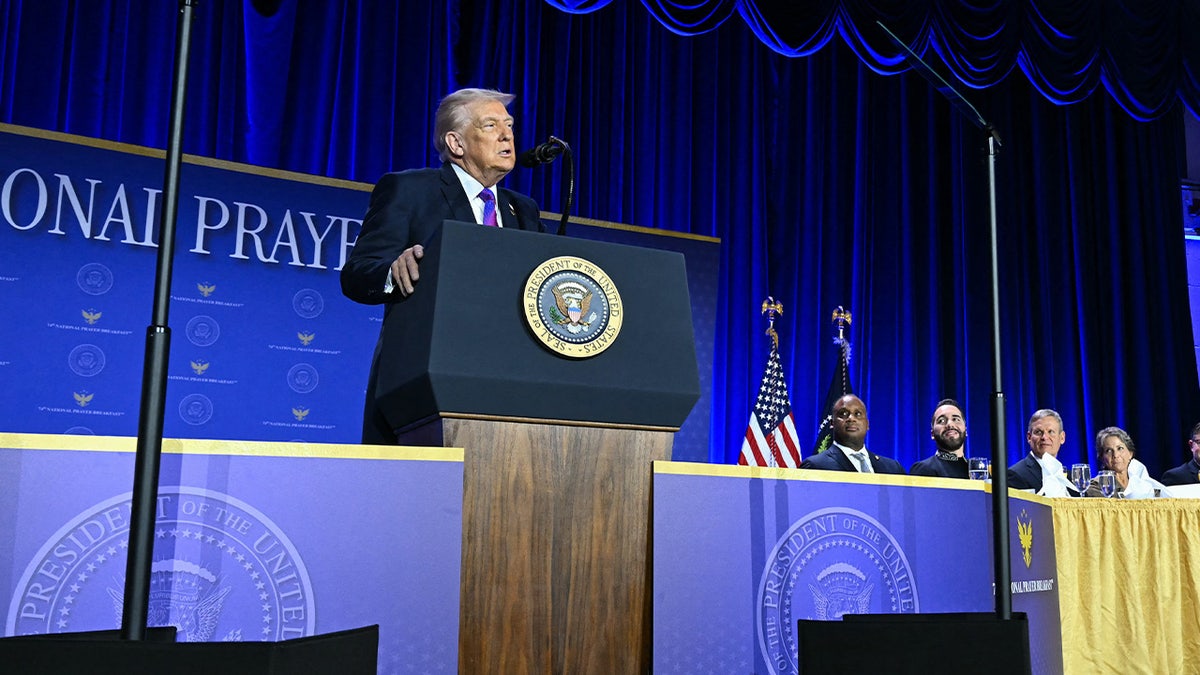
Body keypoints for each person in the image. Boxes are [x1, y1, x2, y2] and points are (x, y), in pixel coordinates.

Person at [341, 88, 545, 444]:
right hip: (424, 388)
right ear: (456, 143)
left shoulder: (523, 210)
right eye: (490, 125)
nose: (506, 134)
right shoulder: (409, 190)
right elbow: (357, 273)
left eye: (509, 125)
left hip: (513, 387)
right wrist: (393, 271)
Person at [799, 394, 905, 474]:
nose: (851, 418)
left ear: (867, 424)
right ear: (832, 424)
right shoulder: (815, 466)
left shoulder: (893, 468)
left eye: (858, 414)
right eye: (843, 414)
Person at [1006, 408, 1079, 496]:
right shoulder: (1015, 475)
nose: (1044, 437)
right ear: (1029, 437)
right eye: (1038, 432)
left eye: (1051, 432)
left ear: (1062, 438)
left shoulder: (1074, 479)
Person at [909, 398, 969, 478]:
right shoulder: (923, 469)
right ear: (932, 434)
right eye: (941, 421)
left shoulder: (978, 470)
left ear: (966, 430)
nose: (950, 424)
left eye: (956, 419)